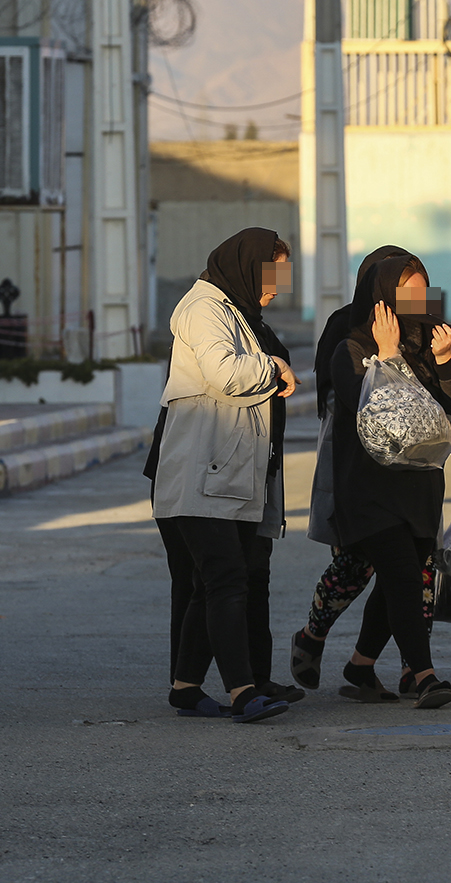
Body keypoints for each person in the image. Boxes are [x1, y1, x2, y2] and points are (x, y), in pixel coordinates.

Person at [290, 246, 451, 702]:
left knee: (407, 573)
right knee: (393, 572)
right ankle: (421, 674)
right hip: (368, 488)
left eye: (423, 297)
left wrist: (445, 362)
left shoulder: (425, 346)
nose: (417, 309)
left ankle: (362, 666)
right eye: (407, 298)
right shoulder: (351, 345)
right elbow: (375, 414)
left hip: (418, 487)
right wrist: (388, 356)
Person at [150, 228, 300, 723]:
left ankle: (185, 688)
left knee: (208, 584)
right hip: (200, 472)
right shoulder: (203, 308)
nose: (277, 287)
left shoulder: (235, 311)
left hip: (226, 473)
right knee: (226, 579)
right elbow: (226, 373)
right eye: (271, 274)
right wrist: (274, 364)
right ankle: (242, 691)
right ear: (246, 265)